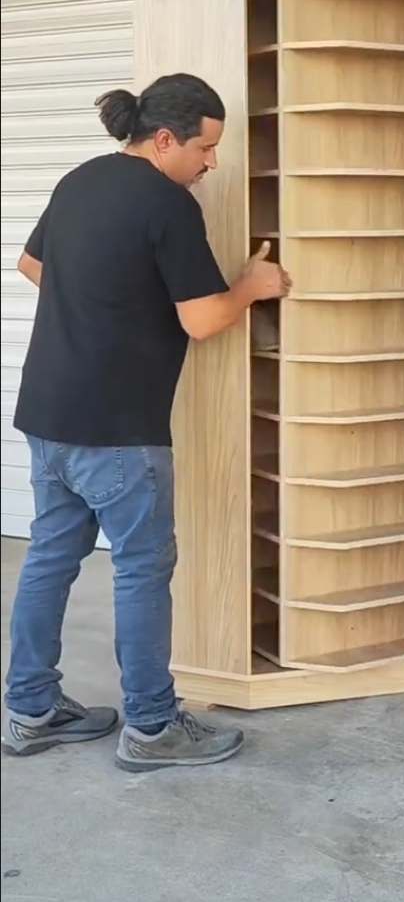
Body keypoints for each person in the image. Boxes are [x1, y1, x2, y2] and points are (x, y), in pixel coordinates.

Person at [1, 72, 291, 772]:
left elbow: (32, 264)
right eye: (205, 148)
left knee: (49, 557)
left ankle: (29, 710)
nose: (210, 163)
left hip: (48, 413)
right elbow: (202, 320)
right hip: (120, 427)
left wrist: (113, 303)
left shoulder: (80, 180)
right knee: (139, 569)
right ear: (166, 139)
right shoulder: (167, 204)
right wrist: (252, 286)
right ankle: (154, 726)